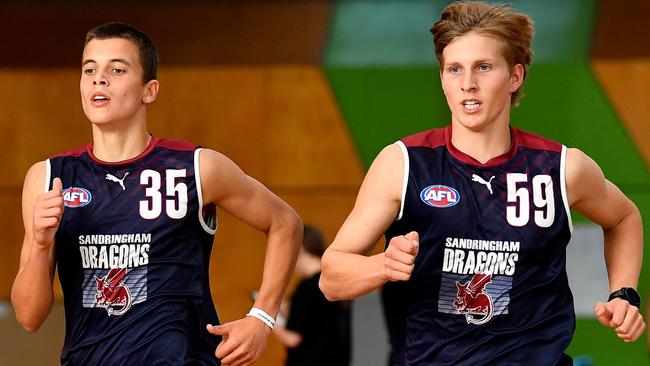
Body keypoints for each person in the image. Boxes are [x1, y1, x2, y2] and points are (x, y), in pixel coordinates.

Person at [319, 1, 645, 365]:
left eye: (484, 67)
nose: (467, 84)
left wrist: (624, 293)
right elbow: (331, 278)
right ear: (442, 77)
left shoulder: (562, 168)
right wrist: (382, 266)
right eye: (454, 69)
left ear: (515, 76)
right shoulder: (403, 163)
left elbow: (623, 218)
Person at [11, 22, 302, 365]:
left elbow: (285, 222)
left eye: (116, 70)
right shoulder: (49, 177)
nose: (98, 79)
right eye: (89, 69)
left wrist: (262, 318)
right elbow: (29, 318)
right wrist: (41, 244)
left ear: (149, 90)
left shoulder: (196, 166)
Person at [272, 225, 351, 366]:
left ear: (299, 249)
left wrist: (267, 317)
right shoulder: (335, 280)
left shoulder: (307, 287)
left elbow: (292, 338)